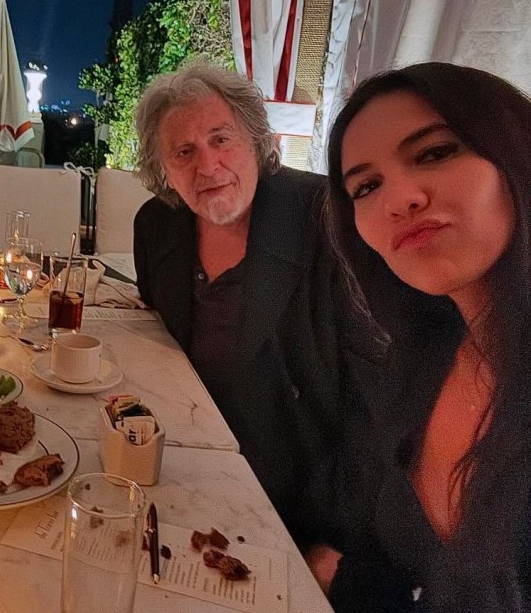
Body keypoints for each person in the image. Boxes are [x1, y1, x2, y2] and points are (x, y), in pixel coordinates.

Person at [314, 63, 531, 612]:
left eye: (434, 153)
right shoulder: (426, 356)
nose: (399, 199)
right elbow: (401, 566)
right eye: (366, 186)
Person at [132, 62, 348, 547]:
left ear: (258, 140)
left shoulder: (324, 219)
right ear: (163, 169)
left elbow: (369, 397)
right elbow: (155, 337)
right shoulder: (157, 225)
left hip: (295, 496)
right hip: (180, 465)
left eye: (221, 139)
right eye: (183, 151)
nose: (206, 166)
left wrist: (342, 543)